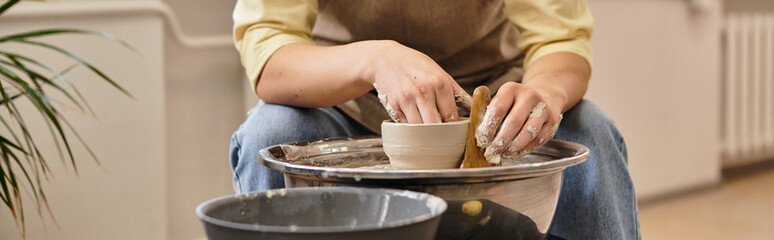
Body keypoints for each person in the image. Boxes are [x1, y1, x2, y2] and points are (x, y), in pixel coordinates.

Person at [229, 0, 640, 239]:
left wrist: (545, 93)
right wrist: (373, 60)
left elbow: (558, 39)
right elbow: (271, 56)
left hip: (491, 109)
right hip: (344, 97)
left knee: (589, 132)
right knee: (272, 133)